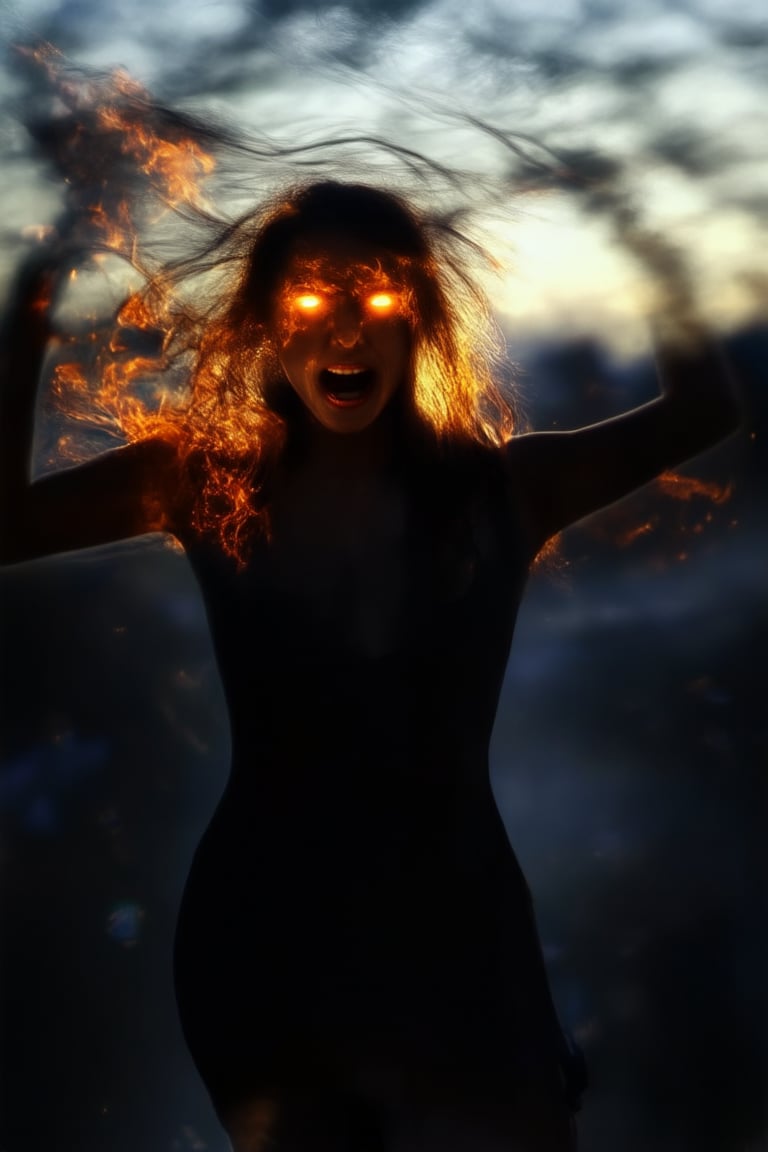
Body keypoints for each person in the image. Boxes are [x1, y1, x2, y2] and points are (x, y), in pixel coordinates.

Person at [0, 180, 739, 1151]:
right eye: (310, 299)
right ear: (267, 324)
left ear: (422, 322)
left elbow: (703, 411)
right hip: (268, 945)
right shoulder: (201, 480)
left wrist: (647, 243)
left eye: (382, 297)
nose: (346, 329)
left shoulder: (503, 491)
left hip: (464, 942)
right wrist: (33, 303)